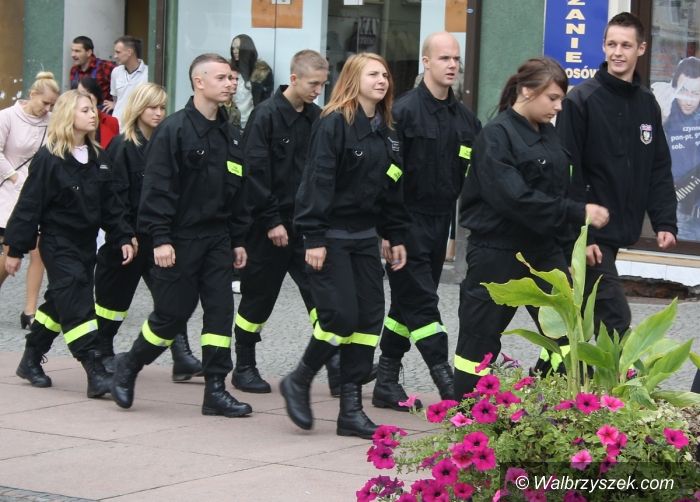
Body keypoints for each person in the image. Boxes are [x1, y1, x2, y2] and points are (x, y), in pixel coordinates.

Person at [453, 57, 610, 397]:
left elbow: (560, 191)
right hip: (497, 254)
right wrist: (578, 212)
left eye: (561, 99)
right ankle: (464, 411)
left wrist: (572, 247)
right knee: (478, 342)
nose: (558, 107)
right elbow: (516, 199)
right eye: (552, 98)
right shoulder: (496, 136)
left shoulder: (549, 135)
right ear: (527, 91)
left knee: (569, 336)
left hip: (543, 251)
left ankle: (558, 407)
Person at [109, 54, 252, 418]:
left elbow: (238, 192)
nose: (230, 83)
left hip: (217, 238)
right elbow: (157, 190)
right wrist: (160, 239)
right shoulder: (173, 130)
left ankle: (216, 389)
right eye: (222, 78)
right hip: (179, 238)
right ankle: (129, 364)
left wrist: (238, 240)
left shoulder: (231, 133)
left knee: (220, 313)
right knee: (171, 315)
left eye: (232, 78)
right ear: (199, 82)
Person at [280, 53, 410, 439]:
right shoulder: (334, 123)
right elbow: (317, 180)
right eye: (373, 74)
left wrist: (394, 234)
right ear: (354, 79)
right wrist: (314, 237)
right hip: (332, 236)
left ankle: (350, 412)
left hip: (365, 238)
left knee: (369, 320)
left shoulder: (387, 129)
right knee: (340, 317)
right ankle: (300, 379)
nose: (382, 80)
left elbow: (393, 186)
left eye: (385, 74)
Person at [373, 32, 481, 410]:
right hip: (404, 223)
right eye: (444, 58)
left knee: (406, 303)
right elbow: (385, 177)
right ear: (426, 62)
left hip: (439, 225)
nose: (452, 65)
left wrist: (454, 233)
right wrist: (388, 231)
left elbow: (473, 177)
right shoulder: (401, 112)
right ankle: (446, 381)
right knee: (422, 302)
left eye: (456, 59)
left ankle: (386, 379)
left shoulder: (465, 120)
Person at [556, 12, 677, 341]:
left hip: (621, 229)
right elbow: (567, 174)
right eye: (611, 44)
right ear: (603, 46)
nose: (617, 52)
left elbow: (658, 167)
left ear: (641, 48)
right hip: (590, 234)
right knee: (615, 317)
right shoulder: (581, 101)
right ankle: (622, 375)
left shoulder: (647, 104)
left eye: (626, 45)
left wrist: (665, 221)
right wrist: (583, 236)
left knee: (579, 322)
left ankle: (558, 369)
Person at [5, 90, 134, 396]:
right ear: (68, 116)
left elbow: (112, 205)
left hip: (86, 244)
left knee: (59, 301)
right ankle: (94, 369)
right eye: (85, 110)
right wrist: (15, 250)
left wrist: (123, 236)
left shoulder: (98, 158)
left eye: (93, 110)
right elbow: (29, 206)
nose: (93, 115)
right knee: (77, 300)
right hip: (57, 243)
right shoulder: (49, 158)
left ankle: (30, 359)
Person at [233, 50, 339, 394]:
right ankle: (244, 366)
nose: (318, 91)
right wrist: (271, 221)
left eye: (322, 84)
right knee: (258, 298)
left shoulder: (318, 118)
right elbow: (254, 173)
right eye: (313, 84)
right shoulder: (265, 116)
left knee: (320, 296)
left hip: (305, 227)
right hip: (269, 229)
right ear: (294, 79)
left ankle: (335, 366)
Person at [93, 82, 203, 381]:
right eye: (152, 107)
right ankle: (102, 353)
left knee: (172, 300)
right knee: (112, 303)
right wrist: (122, 235)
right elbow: (113, 198)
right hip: (128, 238)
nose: (159, 113)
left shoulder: (166, 144)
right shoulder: (122, 146)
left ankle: (182, 356)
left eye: (162, 107)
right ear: (138, 108)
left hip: (157, 237)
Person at [0, 72, 59, 330]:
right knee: (10, 253)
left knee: (38, 251)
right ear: (32, 94)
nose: (47, 109)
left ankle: (30, 310)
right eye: (44, 102)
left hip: (38, 192)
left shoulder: (51, 121)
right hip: (9, 191)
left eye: (52, 105)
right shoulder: (7, 117)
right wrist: (13, 177)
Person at [656, 57, 700, 241]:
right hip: (676, 208)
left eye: (696, 93)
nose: (689, 100)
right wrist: (661, 118)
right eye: (684, 91)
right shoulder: (664, 112)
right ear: (674, 88)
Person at [229, 34, 273, 130]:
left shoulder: (262, 72)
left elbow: (266, 101)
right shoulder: (228, 70)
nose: (235, 51)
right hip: (231, 123)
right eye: (233, 48)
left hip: (253, 124)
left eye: (238, 48)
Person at [106, 36, 149, 122]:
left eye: (118, 52)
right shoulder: (116, 72)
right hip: (117, 125)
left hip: (137, 125)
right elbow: (116, 98)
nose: (115, 56)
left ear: (129, 52)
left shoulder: (148, 73)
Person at [69, 36, 115, 106]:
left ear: (89, 52)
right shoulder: (74, 70)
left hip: (101, 111)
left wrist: (116, 104)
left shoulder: (105, 66)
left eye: (77, 51)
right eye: (72, 50)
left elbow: (126, 87)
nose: (72, 55)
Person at [77, 77, 120, 148]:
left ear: (96, 95)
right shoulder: (73, 121)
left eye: (89, 93)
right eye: (81, 94)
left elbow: (116, 149)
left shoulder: (111, 121)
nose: (86, 97)